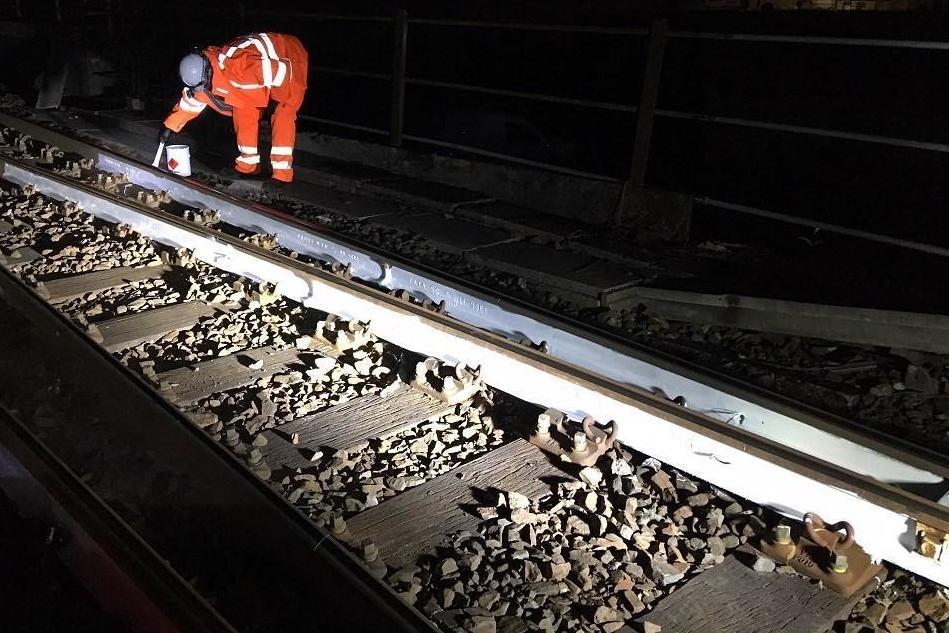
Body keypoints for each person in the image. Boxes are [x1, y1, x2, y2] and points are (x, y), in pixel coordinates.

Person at [159, 32, 308, 183]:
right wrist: (170, 126)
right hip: (252, 76)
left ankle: (282, 175)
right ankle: (248, 168)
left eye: (201, 87)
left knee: (283, 114)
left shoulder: (242, 66)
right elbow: (194, 100)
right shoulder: (204, 75)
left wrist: (277, 101)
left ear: (208, 73)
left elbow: (281, 71)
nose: (199, 91)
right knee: (243, 112)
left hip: (289, 57)